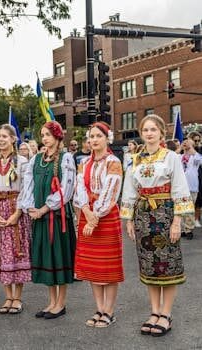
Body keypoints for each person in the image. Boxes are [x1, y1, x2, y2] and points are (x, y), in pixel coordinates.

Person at [121, 114, 193, 337]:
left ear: (162, 133)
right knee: (149, 264)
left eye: (153, 130)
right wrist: (129, 218)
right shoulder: (136, 159)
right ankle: (154, 311)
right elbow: (130, 188)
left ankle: (166, 314)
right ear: (141, 134)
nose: (149, 134)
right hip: (143, 214)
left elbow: (180, 188)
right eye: (145, 130)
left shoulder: (171, 157)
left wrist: (177, 221)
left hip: (165, 214)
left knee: (167, 264)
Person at [73, 122, 124, 328]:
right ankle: (99, 308)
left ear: (107, 138)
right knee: (93, 267)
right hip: (88, 215)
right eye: (91, 136)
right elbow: (79, 188)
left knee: (108, 267)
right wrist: (86, 211)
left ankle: (109, 312)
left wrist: (96, 216)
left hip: (106, 216)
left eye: (98, 136)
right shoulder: (84, 162)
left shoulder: (114, 162)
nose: (94, 140)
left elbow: (111, 191)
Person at [25, 121, 76, 320]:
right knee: (46, 258)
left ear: (57, 137)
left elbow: (67, 189)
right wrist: (30, 208)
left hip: (56, 217)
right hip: (39, 216)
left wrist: (44, 209)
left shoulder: (66, 158)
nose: (44, 138)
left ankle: (60, 304)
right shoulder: (37, 159)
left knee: (58, 258)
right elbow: (28, 185)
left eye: (47, 134)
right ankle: (51, 301)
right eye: (42, 135)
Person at [0, 124, 32, 315]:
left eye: (4, 136)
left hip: (16, 208)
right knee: (2, 253)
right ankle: (7, 296)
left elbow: (25, 188)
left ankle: (18, 297)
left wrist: (18, 213)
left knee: (17, 252)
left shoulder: (22, 162)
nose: (1, 139)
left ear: (13, 139)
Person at [181, 139, 202, 239]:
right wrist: (181, 148)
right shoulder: (179, 157)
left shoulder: (195, 157)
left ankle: (189, 229)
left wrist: (190, 147)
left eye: (188, 143)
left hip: (192, 186)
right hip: (180, 187)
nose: (186, 144)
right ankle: (182, 229)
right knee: (180, 209)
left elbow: (200, 160)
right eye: (185, 142)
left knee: (189, 208)